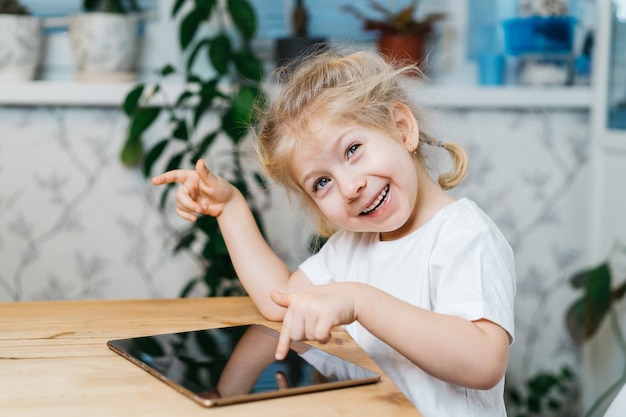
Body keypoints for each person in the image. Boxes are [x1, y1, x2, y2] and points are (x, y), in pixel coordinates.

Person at [152, 49, 516, 417]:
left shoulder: (464, 235)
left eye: (353, 149)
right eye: (322, 182)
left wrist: (360, 301)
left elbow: (484, 362)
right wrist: (230, 208)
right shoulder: (352, 243)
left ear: (402, 129)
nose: (349, 188)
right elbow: (280, 302)